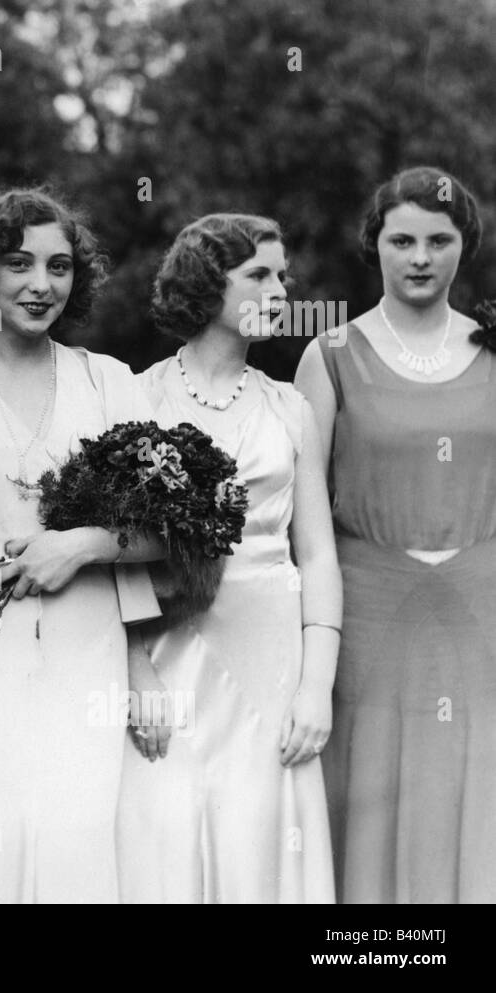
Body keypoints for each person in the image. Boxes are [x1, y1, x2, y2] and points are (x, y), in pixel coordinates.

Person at [0, 188, 163, 903]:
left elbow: (168, 532)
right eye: (19, 264)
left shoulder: (108, 382)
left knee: (75, 852)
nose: (40, 284)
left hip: (86, 663)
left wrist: (79, 545)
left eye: (59, 266)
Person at [117, 214, 339, 903]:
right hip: (169, 649)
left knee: (262, 839)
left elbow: (320, 555)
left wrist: (316, 684)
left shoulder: (290, 407)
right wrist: (133, 672)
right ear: (208, 284)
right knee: (166, 831)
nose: (280, 289)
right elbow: (114, 553)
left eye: (283, 276)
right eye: (260, 275)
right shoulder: (137, 396)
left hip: (272, 655)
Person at [295, 166, 496, 903]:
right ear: (373, 245)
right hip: (370, 613)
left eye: (438, 240)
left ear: (462, 247)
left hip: (486, 611)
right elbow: (303, 511)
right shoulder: (332, 355)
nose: (419, 257)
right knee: (370, 794)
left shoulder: (494, 346)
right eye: (401, 238)